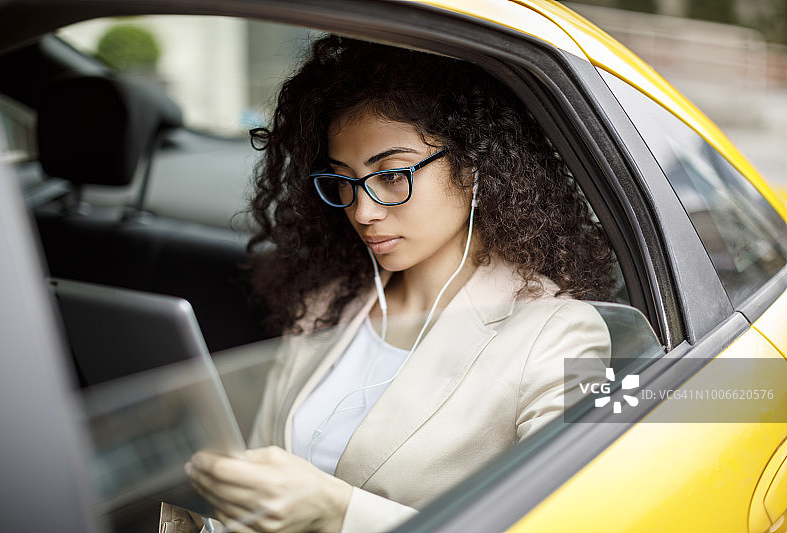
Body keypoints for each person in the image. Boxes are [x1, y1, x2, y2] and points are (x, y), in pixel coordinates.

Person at [185, 35, 614, 533]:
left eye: (391, 175)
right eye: (343, 180)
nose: (362, 211)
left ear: (473, 168)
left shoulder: (559, 333)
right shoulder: (331, 302)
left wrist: (341, 513)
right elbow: (260, 475)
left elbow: (566, 521)